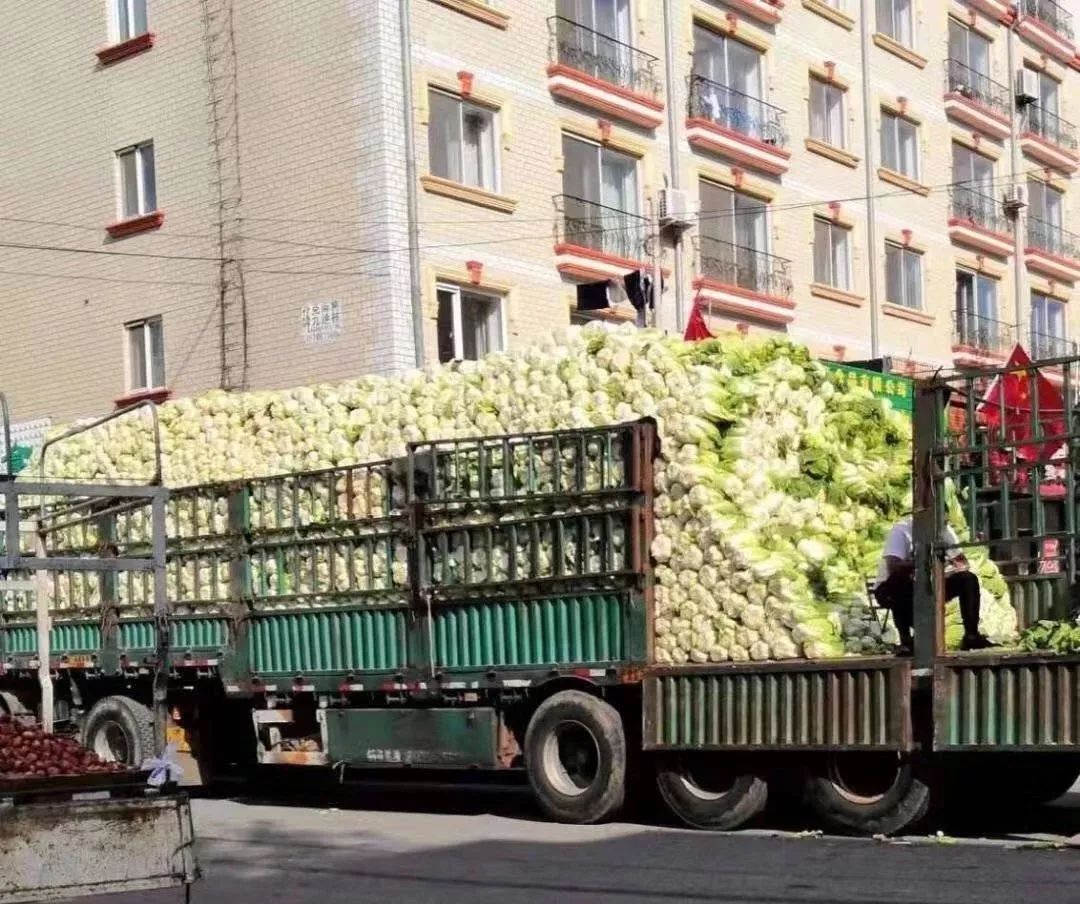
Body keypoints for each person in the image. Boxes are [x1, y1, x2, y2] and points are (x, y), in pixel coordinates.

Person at [873, 515, 995, 654]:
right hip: (892, 588)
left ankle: (971, 635)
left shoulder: (943, 530)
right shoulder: (902, 530)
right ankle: (906, 641)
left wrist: (945, 568)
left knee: (968, 579)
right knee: (901, 581)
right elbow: (893, 566)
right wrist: (923, 563)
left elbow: (962, 563)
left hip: (929, 582)